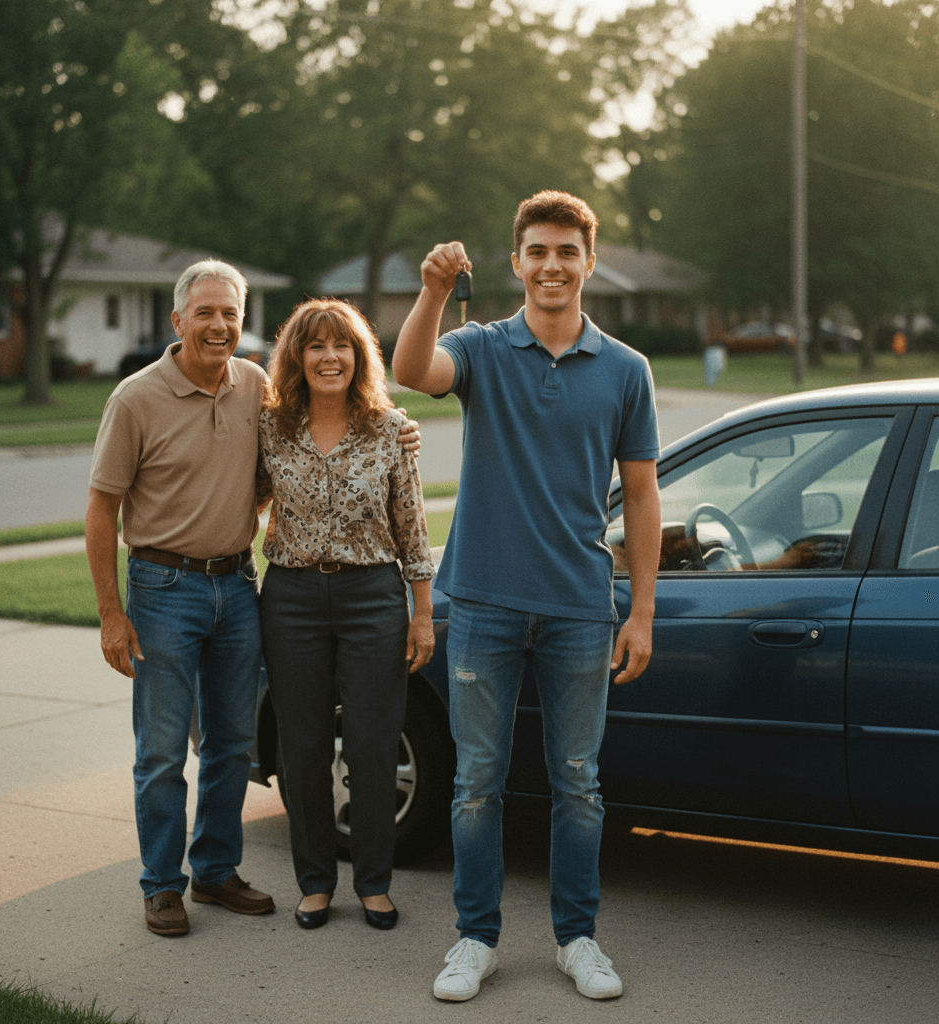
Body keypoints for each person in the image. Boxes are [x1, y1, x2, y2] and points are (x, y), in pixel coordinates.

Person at [85, 259, 422, 937]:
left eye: (230, 314)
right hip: (174, 588)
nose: (217, 325)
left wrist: (396, 432)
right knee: (168, 751)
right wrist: (110, 613)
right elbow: (102, 509)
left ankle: (216, 872)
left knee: (236, 745)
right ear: (177, 320)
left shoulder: (260, 389)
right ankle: (166, 884)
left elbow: (310, 482)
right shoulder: (147, 399)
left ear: (243, 323)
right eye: (204, 313)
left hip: (245, 586)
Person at [392, 191, 662, 1001]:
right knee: (477, 781)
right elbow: (411, 371)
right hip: (481, 602)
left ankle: (578, 938)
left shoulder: (625, 370)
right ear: (516, 263)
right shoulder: (479, 347)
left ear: (588, 263)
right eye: (537, 252)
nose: (552, 266)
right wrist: (435, 289)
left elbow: (642, 498)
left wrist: (641, 610)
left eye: (566, 252)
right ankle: (474, 938)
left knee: (578, 781)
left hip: (582, 606)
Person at [257, 298, 435, 933]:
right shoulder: (271, 428)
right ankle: (314, 883)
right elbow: (239, 494)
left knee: (372, 741)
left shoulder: (389, 430)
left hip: (372, 599)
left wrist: (420, 613)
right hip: (293, 598)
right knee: (300, 743)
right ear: (297, 358)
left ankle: (374, 884)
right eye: (315, 346)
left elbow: (412, 527)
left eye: (342, 346)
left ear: (358, 356)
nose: (329, 357)